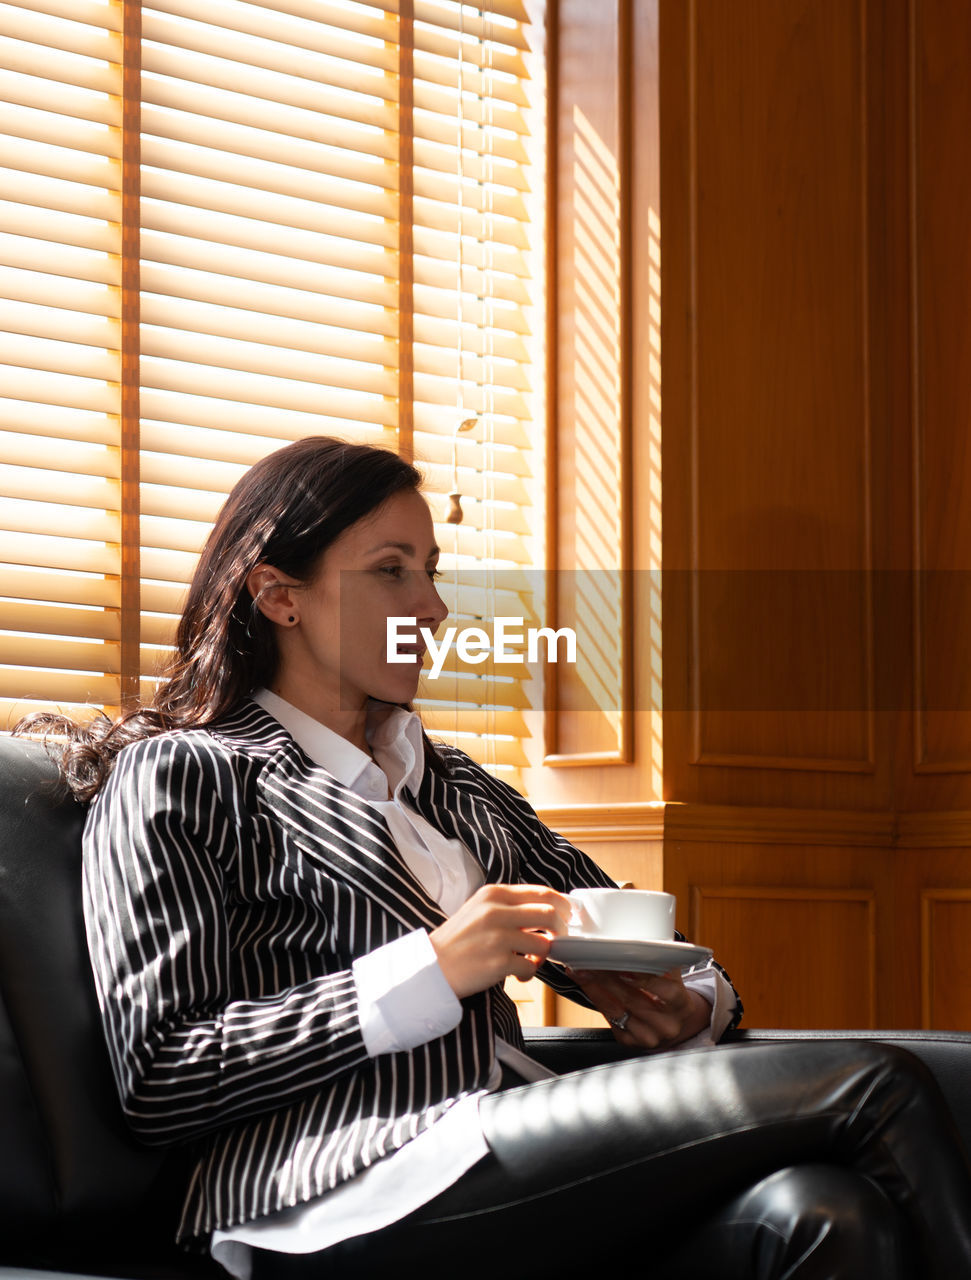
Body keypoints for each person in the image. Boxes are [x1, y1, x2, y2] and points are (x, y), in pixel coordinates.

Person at [31, 436, 971, 1279]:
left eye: (431, 571)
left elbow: (665, 945)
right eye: (390, 571)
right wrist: (432, 969)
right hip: (320, 1189)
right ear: (280, 595)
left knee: (821, 1216)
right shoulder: (184, 774)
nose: (432, 606)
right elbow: (163, 1072)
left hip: (499, 1145)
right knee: (872, 1081)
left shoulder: (458, 786)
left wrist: (685, 1009)